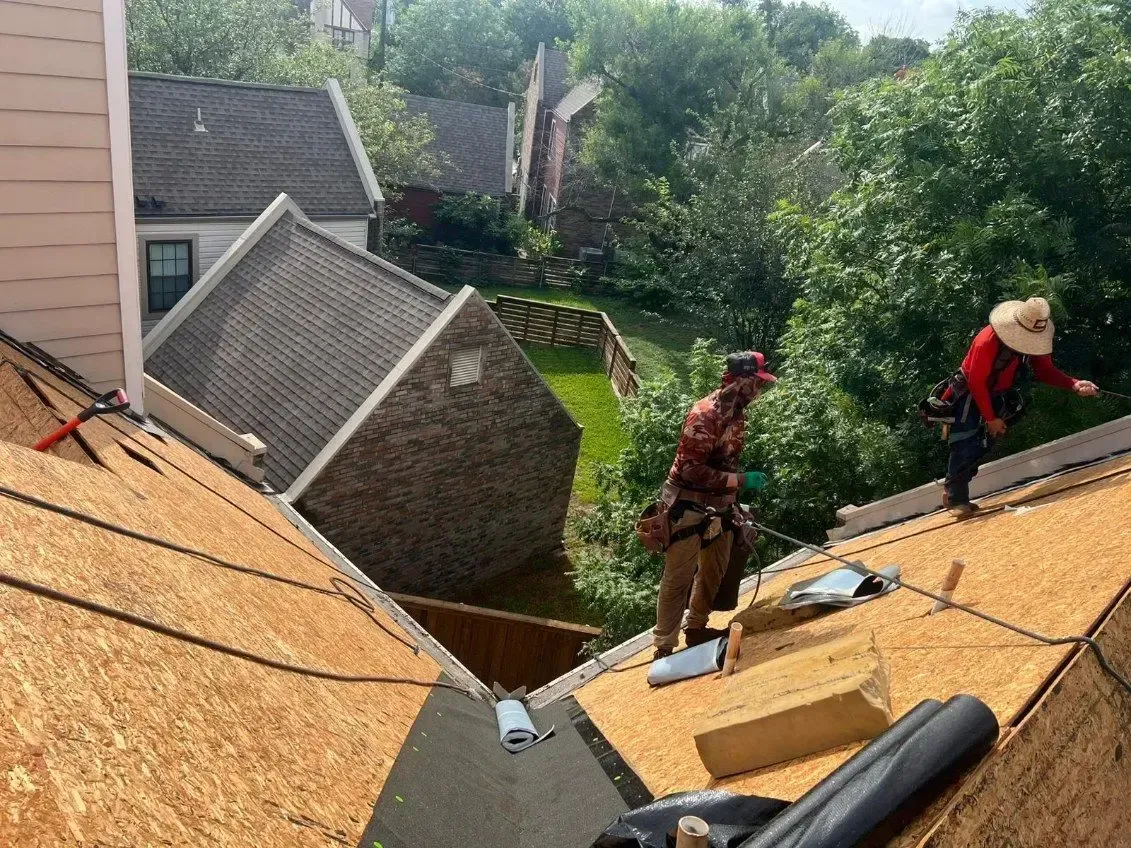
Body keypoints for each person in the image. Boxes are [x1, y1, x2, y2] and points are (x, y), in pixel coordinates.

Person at [652, 351, 775, 660]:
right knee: (678, 576)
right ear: (741, 381)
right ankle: (663, 647)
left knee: (715, 568)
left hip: (718, 506)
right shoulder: (705, 414)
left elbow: (728, 463)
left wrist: (734, 504)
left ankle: (696, 628)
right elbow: (692, 470)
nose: (759, 391)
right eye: (756, 383)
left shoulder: (736, 415)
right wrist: (742, 482)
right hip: (686, 506)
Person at [941, 296, 1098, 515]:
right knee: (965, 441)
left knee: (984, 444)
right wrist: (990, 418)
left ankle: (954, 491)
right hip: (968, 393)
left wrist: (1073, 384)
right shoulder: (987, 340)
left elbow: (1045, 370)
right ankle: (956, 497)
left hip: (997, 392)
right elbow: (976, 381)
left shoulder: (1035, 341)